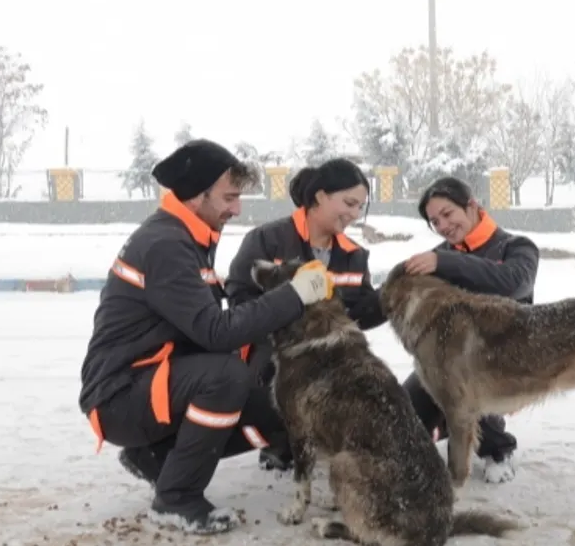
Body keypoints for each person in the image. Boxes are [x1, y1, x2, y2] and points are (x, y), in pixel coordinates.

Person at [77, 139, 333, 535]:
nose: (237, 209)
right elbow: (215, 331)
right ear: (197, 195)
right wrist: (294, 295)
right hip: (119, 396)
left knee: (276, 407)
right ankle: (176, 498)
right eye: (229, 197)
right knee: (225, 377)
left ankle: (156, 458)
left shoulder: (188, 236)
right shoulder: (165, 245)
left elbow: (203, 326)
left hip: (152, 382)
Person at [224, 158, 385, 471]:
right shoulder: (268, 239)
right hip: (272, 353)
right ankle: (278, 440)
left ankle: (332, 441)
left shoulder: (354, 255)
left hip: (330, 358)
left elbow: (358, 314)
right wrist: (288, 315)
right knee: (283, 390)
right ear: (321, 196)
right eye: (349, 203)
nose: (354, 214)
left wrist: (390, 297)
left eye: (359, 207)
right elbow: (240, 297)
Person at [400, 176, 540, 484]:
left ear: (472, 205)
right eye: (435, 222)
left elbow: (513, 282)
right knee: (403, 410)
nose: (443, 225)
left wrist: (446, 262)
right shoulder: (440, 256)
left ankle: (498, 450)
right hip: (447, 360)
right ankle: (438, 434)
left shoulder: (516, 247)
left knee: (469, 383)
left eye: (447, 214)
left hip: (503, 359)